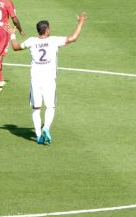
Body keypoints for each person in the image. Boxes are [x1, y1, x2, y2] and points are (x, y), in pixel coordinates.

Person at [6, 12, 88, 145]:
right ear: (47, 30)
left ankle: (38, 136)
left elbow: (15, 47)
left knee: (36, 108)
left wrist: (12, 34)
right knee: (50, 107)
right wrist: (80, 22)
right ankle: (46, 127)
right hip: (49, 79)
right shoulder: (53, 40)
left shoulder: (31, 41)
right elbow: (73, 38)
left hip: (35, 80)